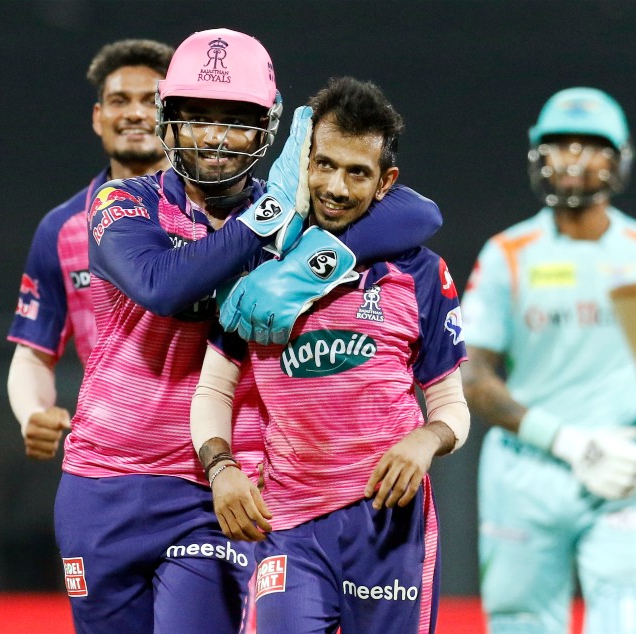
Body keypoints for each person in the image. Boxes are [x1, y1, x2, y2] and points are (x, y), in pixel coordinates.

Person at [54, 28, 444, 634]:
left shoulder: (297, 220)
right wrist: (269, 220)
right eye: (197, 117)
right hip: (103, 478)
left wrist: (305, 264)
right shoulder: (121, 204)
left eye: (235, 121)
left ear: (267, 128)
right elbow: (161, 286)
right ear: (168, 120)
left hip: (220, 487)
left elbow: (419, 212)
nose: (215, 136)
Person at [191, 76, 470, 634]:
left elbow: (452, 407)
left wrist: (423, 441)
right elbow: (213, 390)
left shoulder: (419, 272)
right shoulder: (257, 265)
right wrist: (221, 469)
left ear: (386, 182)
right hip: (288, 523)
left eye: (357, 172)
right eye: (324, 165)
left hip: (389, 523)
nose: (336, 187)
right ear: (305, 162)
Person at [460, 87, 636, 634]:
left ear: (619, 159)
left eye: (591, 146)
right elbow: (469, 374)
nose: (574, 159)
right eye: (561, 145)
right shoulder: (507, 254)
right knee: (520, 624)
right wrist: (568, 443)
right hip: (528, 471)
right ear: (539, 155)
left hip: (627, 463)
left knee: (630, 621)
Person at [7, 38, 174, 460]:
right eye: (119, 100)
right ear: (99, 117)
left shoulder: (215, 218)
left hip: (211, 458)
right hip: (108, 457)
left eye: (151, 101)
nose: (134, 113)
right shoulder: (62, 229)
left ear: (175, 117)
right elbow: (33, 354)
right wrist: (32, 413)